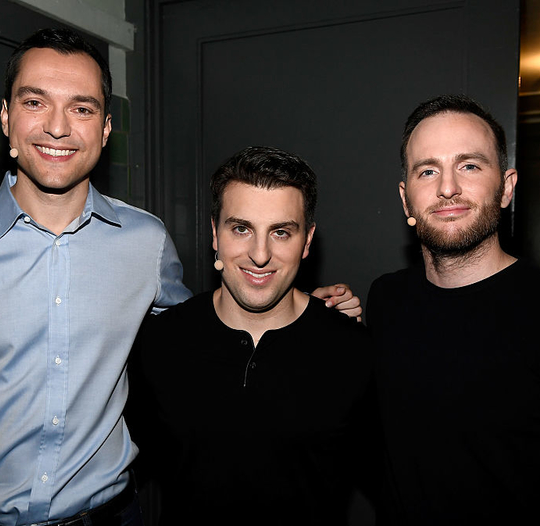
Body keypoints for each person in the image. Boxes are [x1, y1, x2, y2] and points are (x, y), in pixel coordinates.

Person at [0, 29, 358, 526]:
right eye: (36, 102)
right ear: (6, 116)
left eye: (82, 108)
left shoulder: (146, 242)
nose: (58, 127)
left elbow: (201, 338)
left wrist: (302, 314)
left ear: (105, 130)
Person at [367, 94, 540, 525]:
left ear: (507, 187)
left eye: (469, 165)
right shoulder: (385, 300)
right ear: (405, 199)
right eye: (428, 170)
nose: (447, 187)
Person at [126, 146, 373, 525]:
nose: (260, 254)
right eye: (241, 228)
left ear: (307, 241)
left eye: (281, 232)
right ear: (215, 233)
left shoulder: (353, 351)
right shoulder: (161, 343)